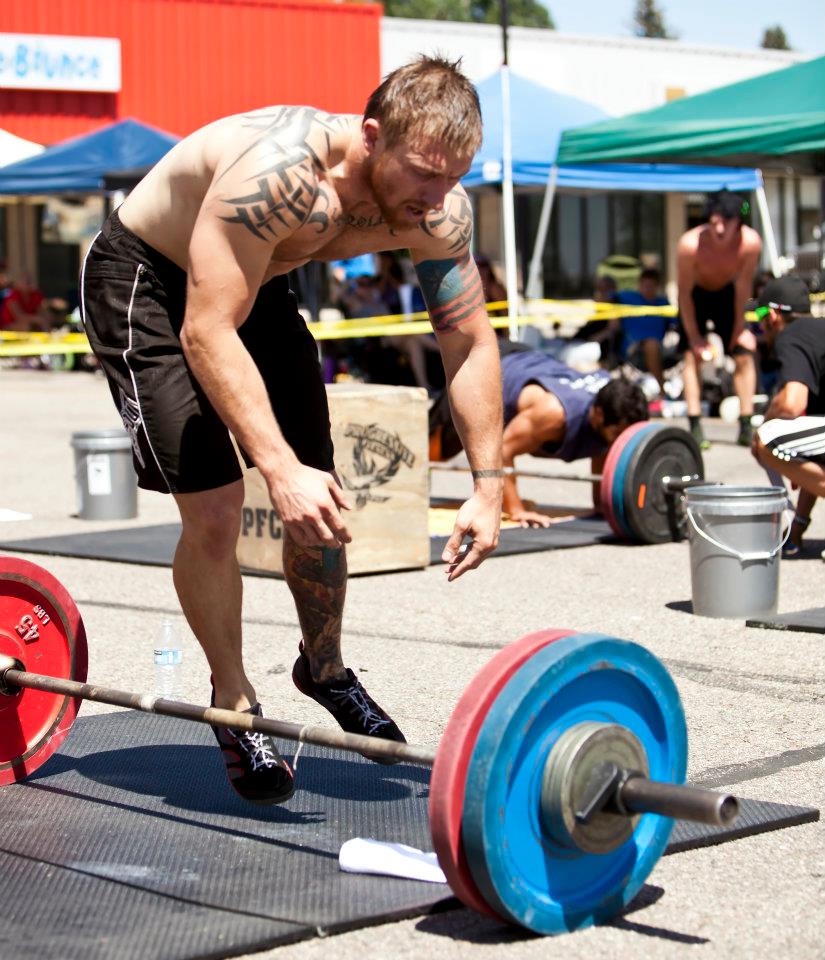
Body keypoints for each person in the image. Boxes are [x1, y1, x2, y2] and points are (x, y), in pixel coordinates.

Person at [79, 55, 503, 806]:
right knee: (214, 508)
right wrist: (273, 467)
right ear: (370, 136)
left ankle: (326, 667)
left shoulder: (440, 207)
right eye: (420, 174)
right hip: (150, 277)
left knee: (322, 500)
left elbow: (466, 340)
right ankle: (235, 701)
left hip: (257, 281)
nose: (437, 199)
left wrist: (489, 483)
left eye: (452, 177)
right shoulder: (277, 175)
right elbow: (206, 330)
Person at [430, 341, 649, 527]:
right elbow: (502, 451)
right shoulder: (554, 415)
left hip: (525, 358)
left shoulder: (610, 403)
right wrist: (516, 510)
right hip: (485, 369)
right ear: (599, 414)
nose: (621, 440)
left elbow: (603, 448)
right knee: (430, 451)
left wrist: (601, 506)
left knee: (610, 438)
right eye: (618, 432)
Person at [676, 190, 762, 449]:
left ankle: (746, 422)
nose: (720, 228)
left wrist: (739, 327)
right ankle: (694, 423)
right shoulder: (690, 244)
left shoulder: (750, 243)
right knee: (692, 356)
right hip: (696, 296)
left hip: (728, 295)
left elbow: (744, 287)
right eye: (714, 222)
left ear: (738, 221)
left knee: (744, 351)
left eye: (726, 222)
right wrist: (694, 337)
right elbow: (683, 293)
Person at [750, 276, 824, 557]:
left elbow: (792, 403)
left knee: (768, 439)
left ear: (772, 315)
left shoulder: (792, 335)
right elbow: (816, 467)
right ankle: (795, 531)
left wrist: (764, 425)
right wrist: (797, 531)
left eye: (758, 314)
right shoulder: (817, 334)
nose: (759, 323)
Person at [614, 268, 671, 393]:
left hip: (661, 348)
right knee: (651, 344)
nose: (647, 289)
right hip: (633, 348)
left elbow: (675, 324)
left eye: (651, 286)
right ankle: (662, 390)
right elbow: (604, 296)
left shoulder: (664, 302)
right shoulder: (627, 297)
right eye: (644, 285)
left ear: (657, 286)